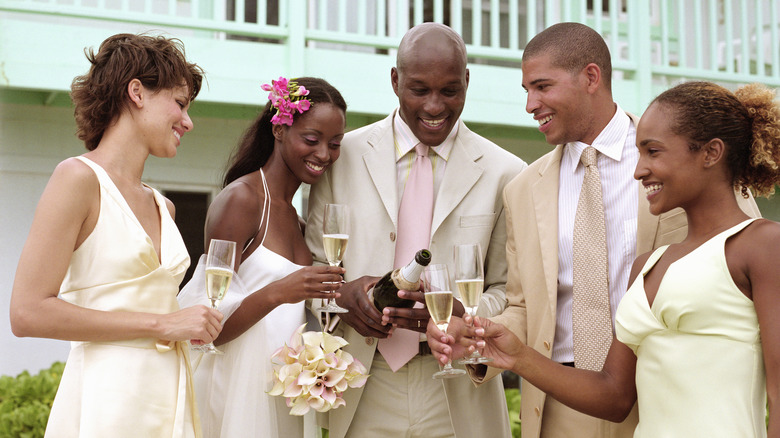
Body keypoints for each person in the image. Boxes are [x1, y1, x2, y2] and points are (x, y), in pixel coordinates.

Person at [427, 22, 760, 438]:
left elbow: (741, 258)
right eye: (526, 90)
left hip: (667, 399)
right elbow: (523, 306)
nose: (531, 104)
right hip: (559, 401)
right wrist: (476, 341)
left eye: (542, 86)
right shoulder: (522, 190)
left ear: (590, 77)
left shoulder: (682, 154)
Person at [305, 22, 527, 438]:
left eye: (449, 90)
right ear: (395, 80)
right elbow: (316, 267)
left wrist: (463, 313)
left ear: (467, 82)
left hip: (459, 385)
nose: (434, 106)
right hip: (361, 383)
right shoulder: (343, 155)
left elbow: (509, 293)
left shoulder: (506, 172)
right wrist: (341, 297)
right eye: (419, 89)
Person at [9, 33, 221, 437]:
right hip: (107, 402)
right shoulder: (77, 179)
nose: (188, 121)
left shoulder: (165, 207)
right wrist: (163, 325)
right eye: (179, 103)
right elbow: (27, 312)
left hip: (170, 395)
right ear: (136, 92)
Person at [176, 76, 348, 438]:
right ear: (280, 128)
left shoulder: (300, 219)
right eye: (312, 139)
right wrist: (280, 292)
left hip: (281, 394)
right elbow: (204, 330)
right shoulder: (242, 201)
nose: (324, 154)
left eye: (335, 144)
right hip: (236, 396)